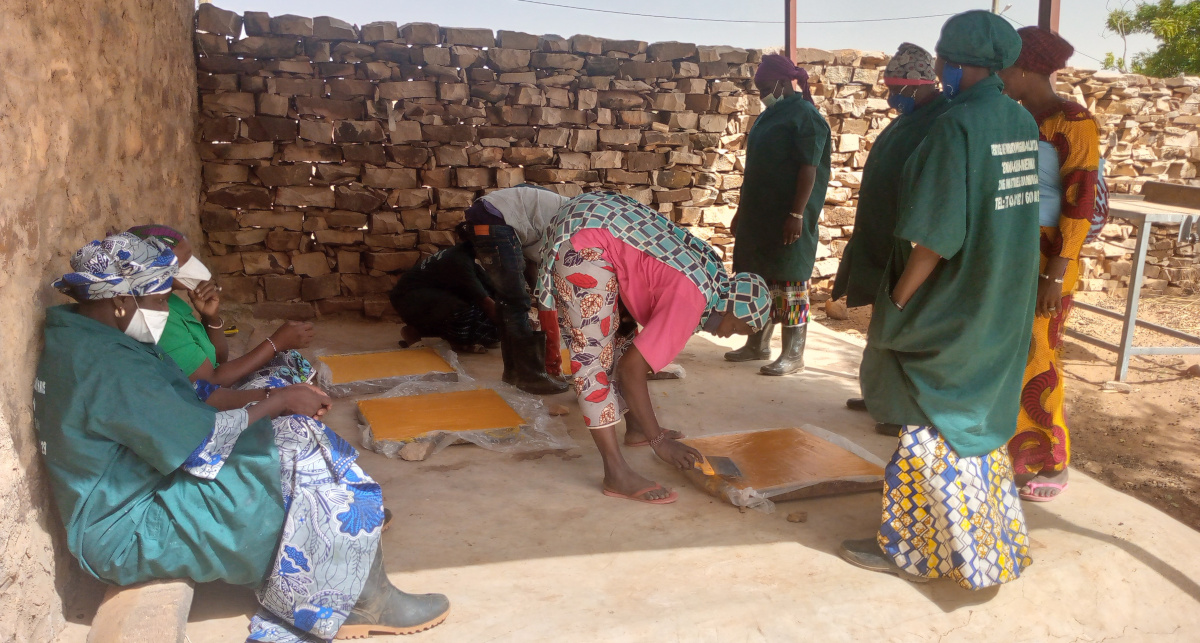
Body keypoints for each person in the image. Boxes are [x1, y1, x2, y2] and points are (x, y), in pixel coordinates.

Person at [36, 233, 449, 641]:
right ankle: (356, 601)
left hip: (138, 487)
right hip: (125, 528)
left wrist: (275, 401)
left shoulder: (90, 338)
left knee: (292, 440)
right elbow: (198, 442)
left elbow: (184, 395)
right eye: (160, 301)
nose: (165, 309)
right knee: (293, 469)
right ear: (121, 302)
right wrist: (276, 401)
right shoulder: (107, 366)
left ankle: (355, 572)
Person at [839, 11, 1039, 589]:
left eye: (945, 59)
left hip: (951, 301)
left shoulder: (957, 127)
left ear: (953, 64)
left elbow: (935, 235)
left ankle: (914, 551)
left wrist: (899, 299)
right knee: (972, 423)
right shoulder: (1018, 121)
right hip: (998, 298)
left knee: (928, 421)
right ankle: (986, 548)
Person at [534, 192, 770, 504]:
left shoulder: (712, 279)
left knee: (622, 336)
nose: (732, 336)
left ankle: (636, 429)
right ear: (731, 311)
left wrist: (649, 428)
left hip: (593, 217)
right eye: (739, 328)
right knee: (592, 357)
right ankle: (615, 472)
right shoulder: (693, 300)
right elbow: (633, 369)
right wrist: (660, 440)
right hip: (587, 240)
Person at [998, 27, 1102, 502]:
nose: (1000, 75)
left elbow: (1079, 204)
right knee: (1008, 355)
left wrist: (1055, 274)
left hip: (1049, 257)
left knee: (1040, 361)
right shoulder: (1019, 117)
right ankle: (1007, 452)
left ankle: (1050, 464)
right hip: (1014, 251)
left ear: (1022, 70)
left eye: (1004, 67)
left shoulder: (1074, 122)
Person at [830, 44, 950, 437]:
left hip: (911, 241)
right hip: (884, 235)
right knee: (884, 318)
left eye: (896, 89)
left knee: (906, 323)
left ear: (918, 86)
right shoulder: (910, 117)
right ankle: (882, 394)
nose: (890, 97)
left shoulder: (942, 120)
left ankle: (904, 407)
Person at [725, 53, 831, 376]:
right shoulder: (768, 116)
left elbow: (809, 169)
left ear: (784, 83)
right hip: (760, 217)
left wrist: (796, 213)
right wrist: (741, 212)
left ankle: (794, 352)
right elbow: (755, 171)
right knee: (758, 279)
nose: (761, 95)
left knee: (790, 279)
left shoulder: (805, 117)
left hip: (787, 216)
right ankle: (757, 343)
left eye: (765, 87)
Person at [127, 225, 317, 397]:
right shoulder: (157, 320)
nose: (193, 265)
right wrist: (275, 342)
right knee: (289, 393)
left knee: (290, 362)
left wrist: (211, 316)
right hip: (199, 402)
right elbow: (209, 382)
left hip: (216, 383)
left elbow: (219, 359)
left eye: (190, 257)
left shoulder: (171, 300)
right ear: (155, 268)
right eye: (184, 261)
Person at [460, 185, 570, 394]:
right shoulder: (577, 222)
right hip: (497, 221)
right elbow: (547, 265)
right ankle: (530, 377)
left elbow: (532, 265)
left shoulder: (554, 216)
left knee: (508, 300)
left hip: (489, 218)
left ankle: (513, 372)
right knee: (516, 301)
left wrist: (540, 293)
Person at [389, 242, 501, 354]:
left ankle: (457, 339)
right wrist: (511, 333)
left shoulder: (465, 256)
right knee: (463, 309)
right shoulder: (459, 261)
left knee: (486, 310)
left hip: (426, 296)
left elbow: (494, 291)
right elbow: (485, 302)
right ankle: (415, 332)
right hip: (407, 299)